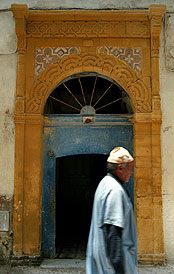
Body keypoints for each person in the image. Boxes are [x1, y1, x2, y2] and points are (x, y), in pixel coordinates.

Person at [86, 147, 137, 274]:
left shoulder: (105, 183)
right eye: (130, 167)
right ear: (120, 168)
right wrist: (119, 269)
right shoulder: (115, 191)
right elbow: (113, 232)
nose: (131, 172)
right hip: (110, 267)